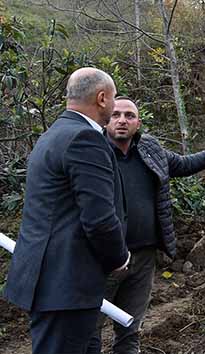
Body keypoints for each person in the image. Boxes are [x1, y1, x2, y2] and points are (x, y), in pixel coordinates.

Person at [88, 96, 205, 354]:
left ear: (138, 122)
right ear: (106, 119)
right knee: (89, 328)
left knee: (130, 328)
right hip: (104, 260)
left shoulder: (149, 149)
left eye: (129, 116)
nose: (122, 120)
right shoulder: (93, 153)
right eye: (116, 114)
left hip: (143, 257)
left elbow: (182, 165)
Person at [3, 68, 131, 354]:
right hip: (66, 284)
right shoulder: (85, 139)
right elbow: (99, 219)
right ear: (101, 98)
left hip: (53, 283)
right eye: (112, 100)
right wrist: (118, 257)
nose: (114, 107)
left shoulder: (54, 135)